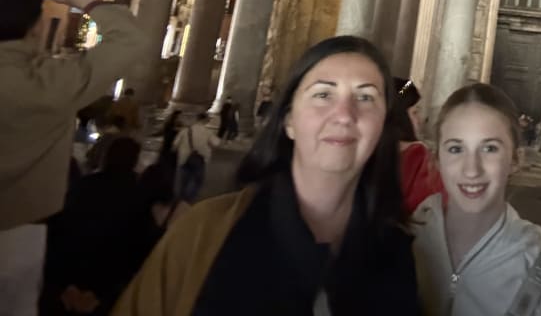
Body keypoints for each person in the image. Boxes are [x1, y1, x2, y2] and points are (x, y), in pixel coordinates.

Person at [113, 35, 419, 315]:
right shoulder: (202, 232)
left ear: (382, 127)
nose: (344, 114)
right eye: (323, 94)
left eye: (366, 98)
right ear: (288, 121)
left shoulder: (402, 254)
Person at [0, 0, 144, 315]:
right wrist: (88, 3)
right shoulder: (50, 84)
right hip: (18, 229)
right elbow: (130, 40)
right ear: (36, 29)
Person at [413, 83, 541, 316]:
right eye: (456, 149)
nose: (471, 170)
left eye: (489, 148)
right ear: (437, 160)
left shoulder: (539, 268)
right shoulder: (401, 241)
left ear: (515, 160)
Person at [45, 137, 158, 315]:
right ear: (134, 161)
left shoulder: (83, 186)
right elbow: (140, 250)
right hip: (108, 288)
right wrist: (104, 292)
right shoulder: (138, 198)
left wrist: (64, 283)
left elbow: (58, 231)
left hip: (69, 281)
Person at [393, 76, 444, 214]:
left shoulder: (364, 149)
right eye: (415, 112)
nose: (420, 119)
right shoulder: (419, 156)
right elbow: (430, 207)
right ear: (399, 116)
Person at [173, 112, 220, 202]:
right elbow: (216, 143)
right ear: (205, 120)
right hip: (199, 160)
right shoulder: (207, 132)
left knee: (183, 182)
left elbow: (175, 145)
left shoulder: (185, 130)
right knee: (197, 181)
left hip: (183, 159)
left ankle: (179, 200)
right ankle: (187, 200)